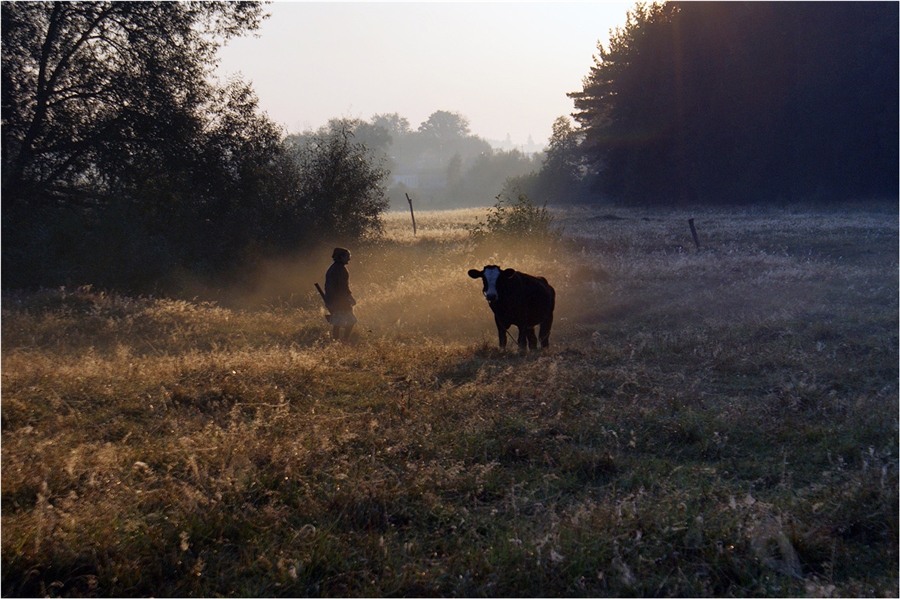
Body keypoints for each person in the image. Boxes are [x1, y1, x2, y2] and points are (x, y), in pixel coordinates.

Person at [324, 247, 357, 342]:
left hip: (332, 300)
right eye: (347, 256)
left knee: (337, 323)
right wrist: (350, 297)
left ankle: (336, 341)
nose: (349, 258)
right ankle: (345, 340)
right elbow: (343, 287)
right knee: (351, 321)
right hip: (340, 300)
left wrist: (329, 300)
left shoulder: (333, 268)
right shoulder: (341, 269)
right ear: (341, 257)